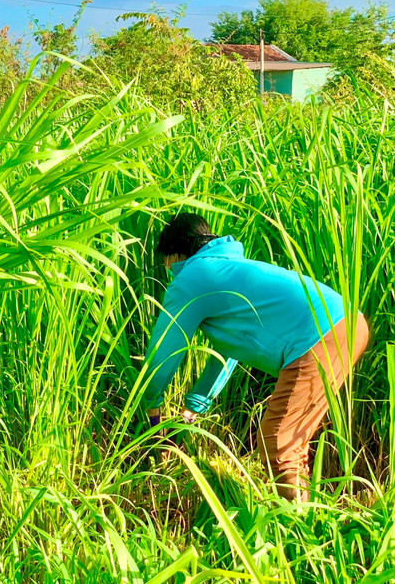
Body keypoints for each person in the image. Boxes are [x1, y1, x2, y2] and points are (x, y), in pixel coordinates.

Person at [143, 213, 369, 502]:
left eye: (167, 264)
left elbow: (164, 351)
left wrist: (152, 408)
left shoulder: (192, 278)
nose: (170, 272)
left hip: (319, 334)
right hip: (348, 323)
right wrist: (193, 409)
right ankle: (309, 517)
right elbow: (229, 351)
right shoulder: (227, 269)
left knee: (277, 441)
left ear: (175, 254)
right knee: (290, 441)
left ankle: (298, 533)